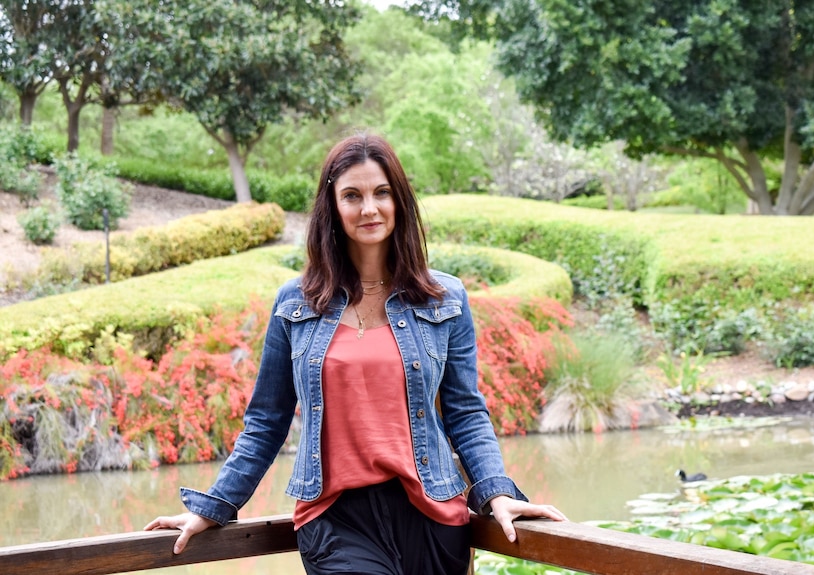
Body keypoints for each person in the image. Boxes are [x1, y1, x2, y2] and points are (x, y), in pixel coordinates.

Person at [144, 133, 567, 574]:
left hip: (433, 515)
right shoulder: (295, 304)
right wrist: (216, 504)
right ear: (333, 207)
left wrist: (498, 494)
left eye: (381, 193)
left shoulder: (445, 298)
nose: (369, 208)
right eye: (352, 195)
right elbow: (267, 420)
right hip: (335, 520)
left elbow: (465, 411)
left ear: (399, 200)